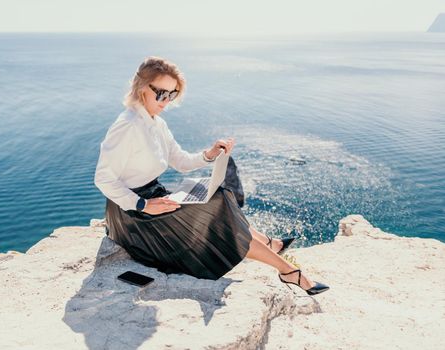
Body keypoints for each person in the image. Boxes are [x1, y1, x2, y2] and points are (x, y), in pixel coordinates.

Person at [94, 56, 329, 295]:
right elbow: (103, 178)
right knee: (216, 210)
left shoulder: (156, 123)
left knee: (218, 194)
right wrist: (143, 205)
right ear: (142, 87)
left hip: (155, 197)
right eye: (162, 94)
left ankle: (271, 248)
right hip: (133, 216)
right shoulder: (127, 126)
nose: (166, 101)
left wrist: (210, 154)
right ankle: (287, 269)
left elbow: (181, 161)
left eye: (172, 95)